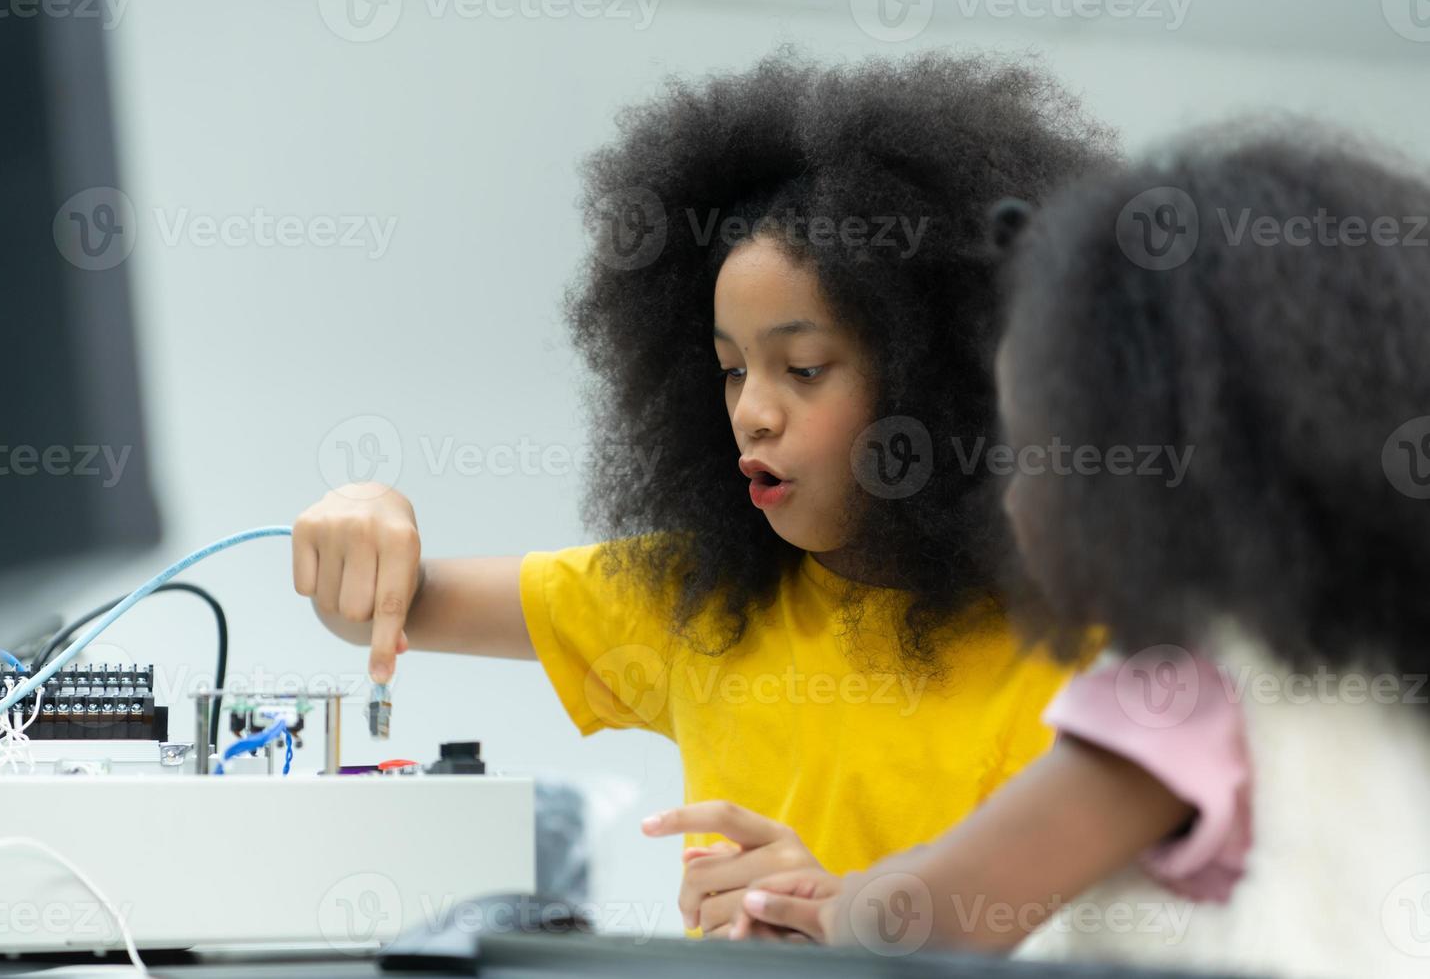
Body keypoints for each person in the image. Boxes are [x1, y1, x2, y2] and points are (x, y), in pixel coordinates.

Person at [293, 51, 1113, 936]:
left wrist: (834, 917)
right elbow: (380, 611)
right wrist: (367, 519)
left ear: (942, 382)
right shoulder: (696, 604)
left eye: (802, 369)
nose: (751, 413)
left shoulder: (1092, 650)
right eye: (729, 371)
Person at [730, 122, 1430, 977]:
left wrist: (823, 904)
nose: (1010, 493)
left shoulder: (1171, 698)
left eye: (1031, 450)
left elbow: (932, 915)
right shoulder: (1383, 692)